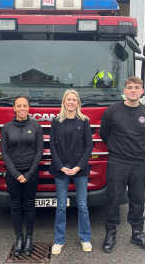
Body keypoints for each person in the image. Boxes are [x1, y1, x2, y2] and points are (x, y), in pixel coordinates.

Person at [100, 76, 145, 253]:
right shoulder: (112, 111)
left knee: (138, 199)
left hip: (139, 162)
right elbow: (104, 134)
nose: (133, 90)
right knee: (113, 198)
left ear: (142, 91)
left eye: (136, 87)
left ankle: (137, 234)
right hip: (117, 162)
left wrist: (137, 150)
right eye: (129, 87)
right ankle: (110, 234)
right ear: (124, 91)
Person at [49, 89, 94, 255]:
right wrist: (60, 166)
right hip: (61, 168)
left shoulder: (84, 121)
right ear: (63, 102)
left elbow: (89, 145)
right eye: (68, 99)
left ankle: (85, 238)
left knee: (82, 205)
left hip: (79, 168)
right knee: (61, 206)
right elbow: (52, 145)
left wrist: (79, 166)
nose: (71, 102)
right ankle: (59, 240)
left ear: (78, 103)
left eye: (74, 100)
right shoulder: (56, 121)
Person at [1, 95, 43, 257]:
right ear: (14, 108)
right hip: (13, 174)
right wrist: (16, 174)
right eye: (19, 106)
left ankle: (29, 239)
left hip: (31, 173)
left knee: (29, 206)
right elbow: (4, 152)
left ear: (28, 108)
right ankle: (19, 238)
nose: (22, 109)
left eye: (25, 106)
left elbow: (39, 151)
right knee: (16, 206)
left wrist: (29, 173)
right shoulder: (7, 127)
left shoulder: (36, 126)